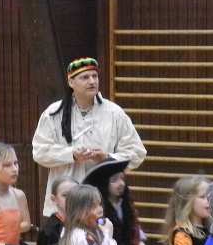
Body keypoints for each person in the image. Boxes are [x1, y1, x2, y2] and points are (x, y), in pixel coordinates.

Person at [32, 57, 147, 217]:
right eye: (85, 77)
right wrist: (71, 154)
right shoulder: (53, 113)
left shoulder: (114, 113)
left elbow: (137, 153)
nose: (92, 81)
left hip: (103, 201)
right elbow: (39, 152)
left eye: (95, 76)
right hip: (65, 202)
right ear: (71, 82)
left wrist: (107, 158)